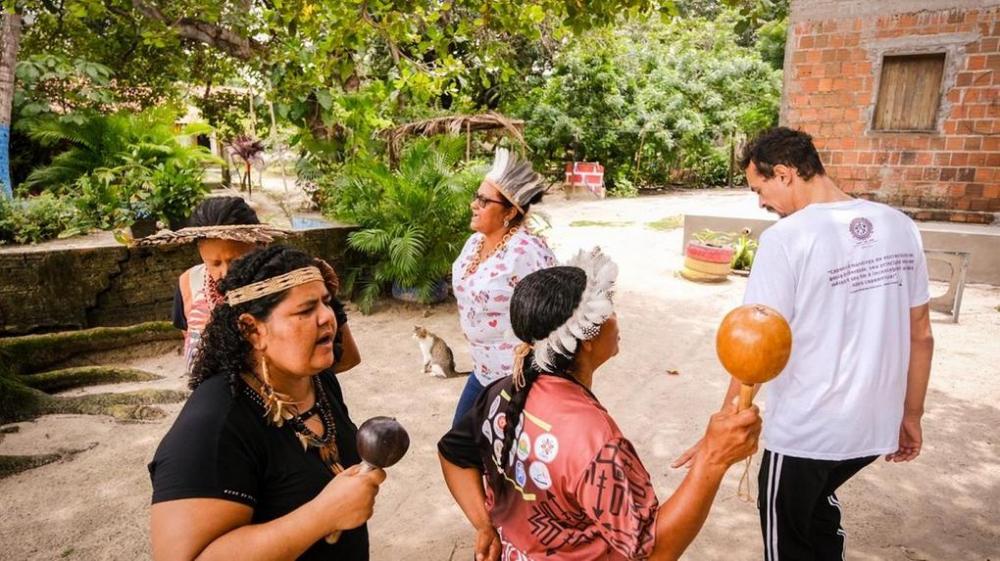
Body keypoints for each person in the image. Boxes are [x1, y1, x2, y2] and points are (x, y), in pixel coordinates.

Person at [673, 127, 934, 561]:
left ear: (785, 173)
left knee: (786, 528)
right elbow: (921, 333)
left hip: (807, 433)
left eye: (760, 189)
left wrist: (723, 422)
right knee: (816, 510)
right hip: (875, 426)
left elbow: (753, 346)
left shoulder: (785, 239)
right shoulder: (901, 227)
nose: (760, 202)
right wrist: (911, 414)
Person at [439, 248, 762, 561]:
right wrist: (713, 460)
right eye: (609, 309)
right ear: (588, 339)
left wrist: (485, 525)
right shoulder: (594, 441)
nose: (616, 318)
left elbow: (453, 454)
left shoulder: (504, 391)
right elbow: (655, 552)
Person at [148, 245, 384, 561]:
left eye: (326, 302)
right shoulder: (214, 427)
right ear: (252, 330)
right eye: (306, 310)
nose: (328, 317)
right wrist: (321, 516)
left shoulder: (315, 379)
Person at [136, 196, 360, 376]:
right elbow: (193, 350)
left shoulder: (294, 288)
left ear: (260, 245)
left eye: (235, 261)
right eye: (213, 263)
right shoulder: (189, 283)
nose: (224, 273)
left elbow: (347, 359)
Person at [451, 147, 556, 427]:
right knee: (455, 446)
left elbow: (557, 311)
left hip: (516, 380)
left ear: (509, 210)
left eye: (484, 201)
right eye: (476, 197)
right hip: (482, 372)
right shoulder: (473, 244)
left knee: (499, 460)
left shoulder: (527, 251)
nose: (475, 204)